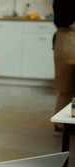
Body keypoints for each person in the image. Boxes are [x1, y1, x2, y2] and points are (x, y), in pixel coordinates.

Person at [52, 0, 75, 134]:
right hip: (67, 43)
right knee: (66, 85)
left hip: (68, 41)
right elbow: (64, 21)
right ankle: (60, 125)